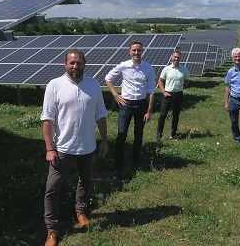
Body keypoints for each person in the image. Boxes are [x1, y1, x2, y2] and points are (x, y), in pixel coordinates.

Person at [41, 49, 108, 246]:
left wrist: (104, 141)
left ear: (84, 64)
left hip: (88, 146)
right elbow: (47, 119)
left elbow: (101, 115)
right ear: (65, 64)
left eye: (78, 63)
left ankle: (80, 211)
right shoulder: (55, 85)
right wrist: (49, 148)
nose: (75, 66)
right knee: (52, 188)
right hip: (62, 147)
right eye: (71, 63)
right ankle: (51, 229)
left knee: (86, 180)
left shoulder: (93, 84)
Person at [105, 41, 155, 179]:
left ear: (142, 51)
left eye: (138, 50)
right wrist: (116, 95)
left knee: (138, 135)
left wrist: (149, 111)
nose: (136, 53)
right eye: (133, 50)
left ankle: (135, 163)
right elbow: (108, 78)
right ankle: (117, 167)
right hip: (125, 104)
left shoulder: (148, 68)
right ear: (129, 51)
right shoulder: (123, 66)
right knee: (121, 135)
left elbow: (151, 90)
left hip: (141, 105)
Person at [157, 49, 190, 141]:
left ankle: (173, 135)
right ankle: (159, 136)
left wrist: (180, 88)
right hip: (167, 95)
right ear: (172, 57)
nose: (176, 59)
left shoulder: (184, 69)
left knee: (176, 115)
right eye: (175, 57)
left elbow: (187, 82)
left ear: (180, 58)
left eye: (178, 57)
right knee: (163, 115)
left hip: (178, 95)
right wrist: (163, 91)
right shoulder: (166, 69)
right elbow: (160, 80)